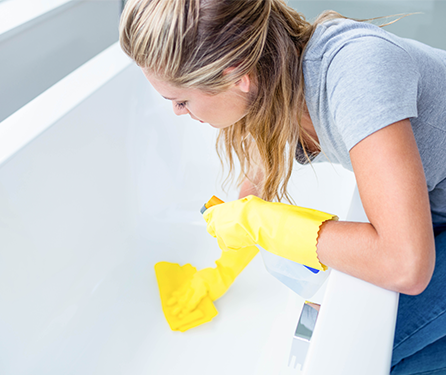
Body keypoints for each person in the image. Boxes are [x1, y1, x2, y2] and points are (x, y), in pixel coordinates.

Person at [119, 0, 446, 373]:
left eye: (180, 100)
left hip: (424, 237)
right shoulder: (277, 75)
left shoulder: (355, 73)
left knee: (353, 353)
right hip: (437, 206)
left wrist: (260, 222)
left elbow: (405, 264)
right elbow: (255, 184)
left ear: (235, 74)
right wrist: (223, 264)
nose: (178, 113)